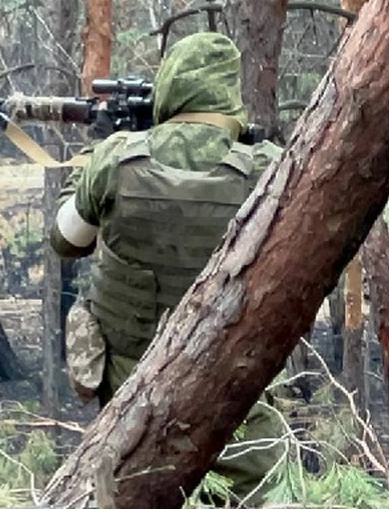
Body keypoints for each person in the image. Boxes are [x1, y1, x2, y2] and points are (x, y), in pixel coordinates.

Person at [50, 32, 287, 506]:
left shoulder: (116, 159)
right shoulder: (269, 167)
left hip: (133, 412)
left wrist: (90, 165)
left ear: (171, 86)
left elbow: (67, 239)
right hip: (239, 403)